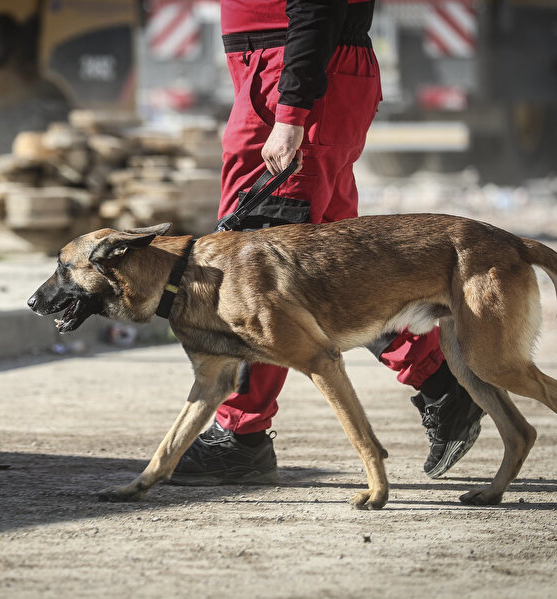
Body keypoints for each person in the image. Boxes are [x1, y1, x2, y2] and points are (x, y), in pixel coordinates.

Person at [170, 0, 484, 485]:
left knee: (252, 272)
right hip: (303, 71)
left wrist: (290, 112)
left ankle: (241, 436)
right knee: (337, 275)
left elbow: (315, 7)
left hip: (290, 75)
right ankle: (442, 387)